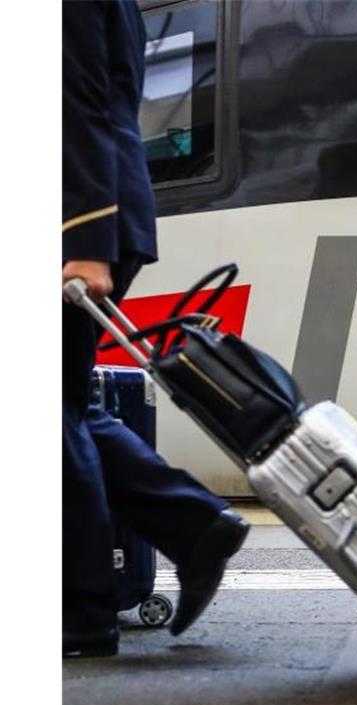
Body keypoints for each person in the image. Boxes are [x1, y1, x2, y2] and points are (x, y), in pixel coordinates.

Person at [63, 0, 249, 657]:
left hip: (83, 224)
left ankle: (81, 611)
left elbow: (73, 101)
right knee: (68, 405)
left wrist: (82, 239)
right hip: (100, 214)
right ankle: (194, 525)